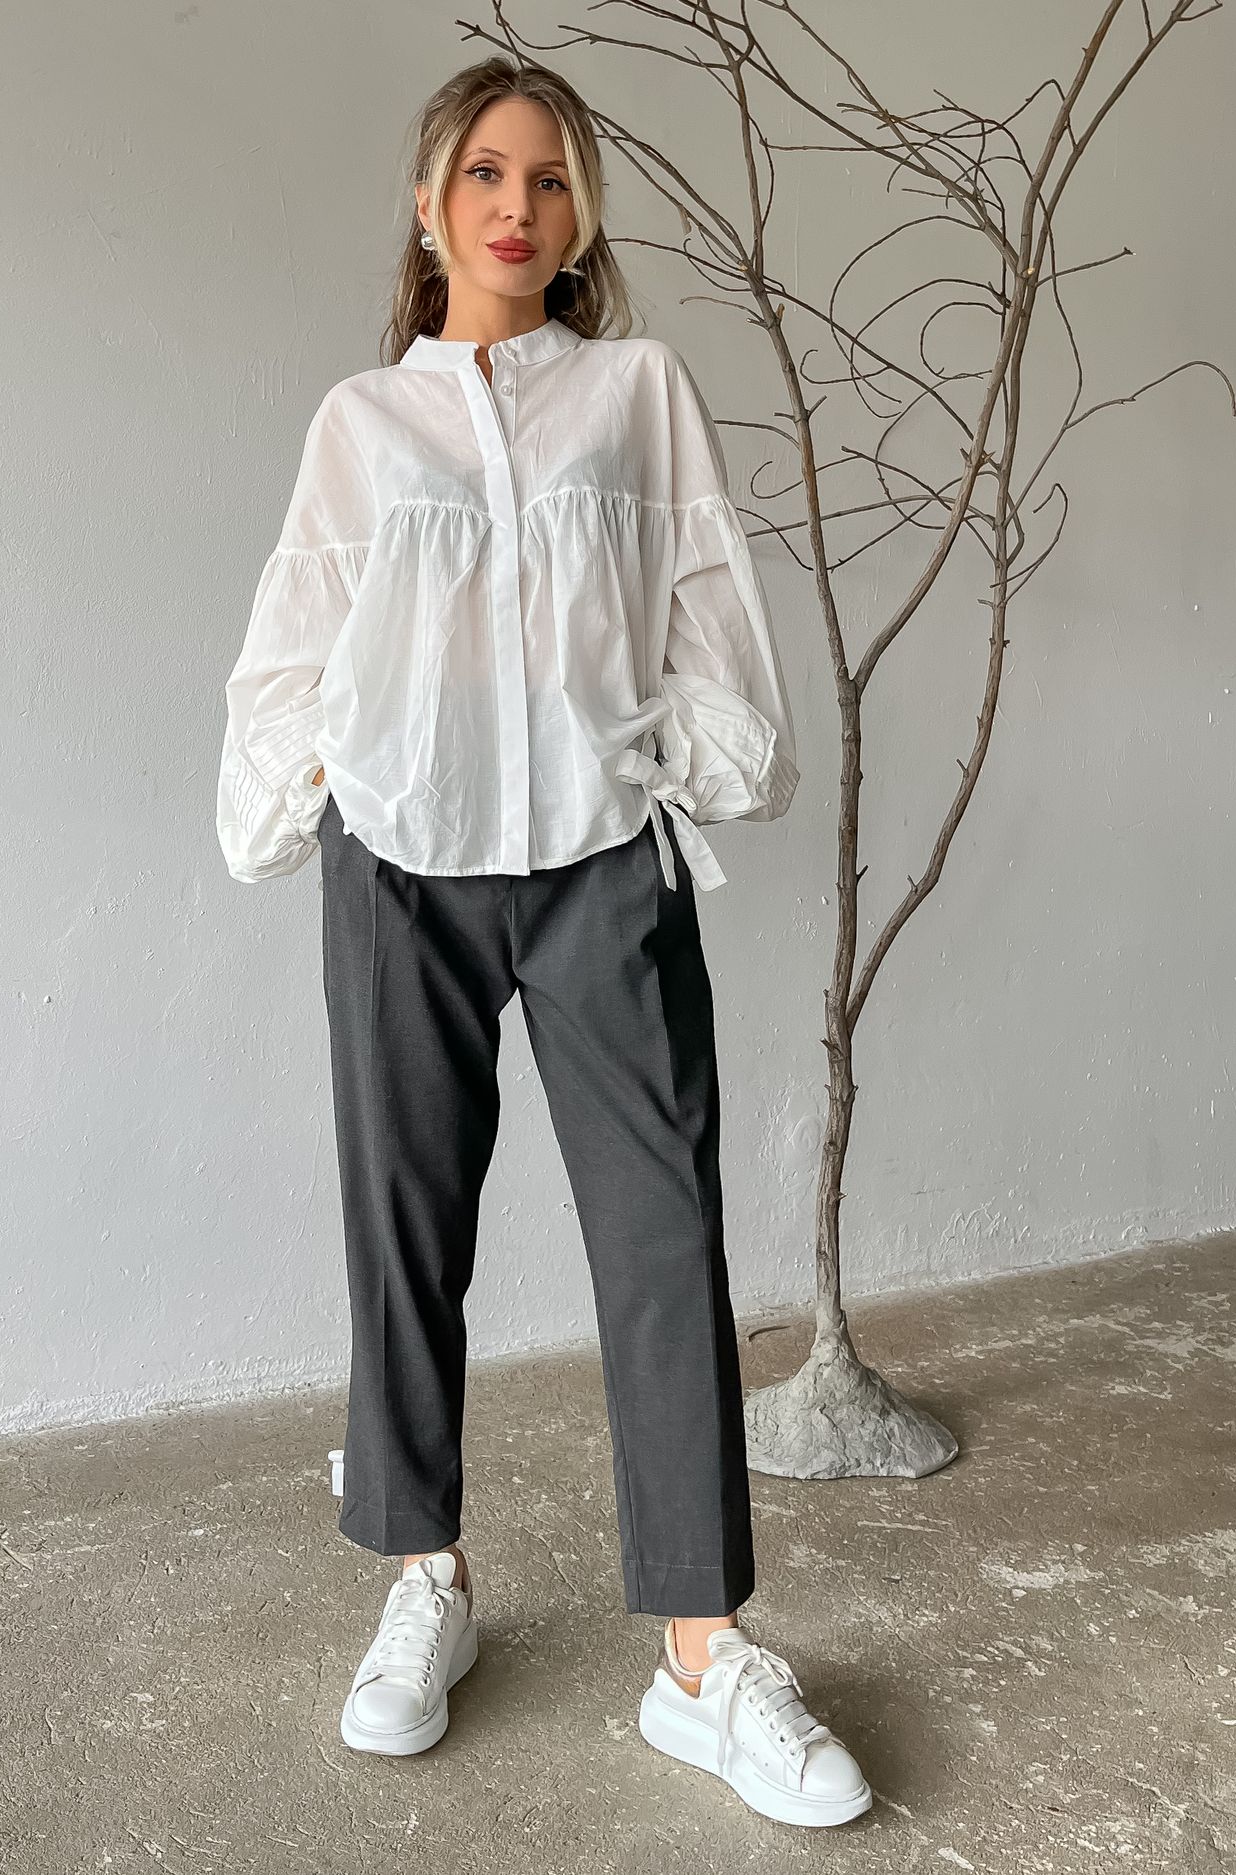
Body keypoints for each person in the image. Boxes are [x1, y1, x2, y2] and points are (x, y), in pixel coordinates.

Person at [215, 53, 872, 1832]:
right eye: (490, 174)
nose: (521, 206)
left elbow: (710, 616)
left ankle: (704, 1657)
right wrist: (322, 784)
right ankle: (421, 1575)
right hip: (402, 866)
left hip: (600, 863)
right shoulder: (363, 426)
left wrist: (671, 757)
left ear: (583, 218)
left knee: (663, 1236)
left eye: (555, 179)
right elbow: (292, 646)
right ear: (431, 205)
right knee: (403, 1228)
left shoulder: (638, 396)